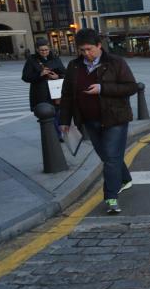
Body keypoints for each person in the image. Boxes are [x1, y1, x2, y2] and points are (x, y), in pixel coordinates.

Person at [59, 29, 138, 214]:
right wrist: (64, 120)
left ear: (99, 46)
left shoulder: (115, 62)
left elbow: (131, 87)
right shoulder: (74, 66)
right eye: (82, 50)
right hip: (89, 120)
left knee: (111, 158)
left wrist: (102, 88)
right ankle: (125, 179)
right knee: (108, 156)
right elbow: (67, 95)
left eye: (89, 49)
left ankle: (111, 198)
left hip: (115, 119)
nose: (86, 53)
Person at [21, 38, 66, 139]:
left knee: (58, 113)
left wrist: (58, 76)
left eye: (46, 49)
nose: (44, 52)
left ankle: (59, 133)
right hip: (41, 93)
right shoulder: (32, 60)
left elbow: (65, 72)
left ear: (49, 48)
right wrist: (40, 74)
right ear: (37, 50)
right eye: (42, 50)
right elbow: (25, 77)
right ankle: (56, 136)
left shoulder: (55, 58)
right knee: (47, 114)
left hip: (56, 91)